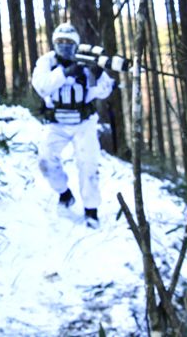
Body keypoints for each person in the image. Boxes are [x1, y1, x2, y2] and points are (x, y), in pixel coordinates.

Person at [31, 22, 116, 228]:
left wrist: (96, 72)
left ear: (76, 44)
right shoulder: (47, 62)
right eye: (60, 42)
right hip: (56, 123)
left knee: (88, 164)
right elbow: (41, 86)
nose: (64, 46)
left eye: (69, 42)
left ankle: (91, 211)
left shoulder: (86, 61)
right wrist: (66, 73)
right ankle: (65, 194)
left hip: (83, 123)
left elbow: (105, 90)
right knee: (45, 161)